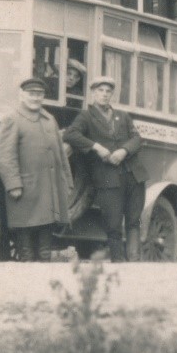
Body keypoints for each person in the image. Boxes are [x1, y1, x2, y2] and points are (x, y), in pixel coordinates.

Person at [64, 76, 148, 262]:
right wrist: (96, 147)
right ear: (93, 93)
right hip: (108, 177)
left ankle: (133, 262)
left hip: (134, 175)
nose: (104, 94)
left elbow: (137, 139)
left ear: (111, 94)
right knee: (113, 224)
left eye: (108, 91)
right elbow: (70, 135)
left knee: (134, 221)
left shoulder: (123, 116)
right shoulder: (86, 117)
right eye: (100, 91)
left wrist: (124, 151)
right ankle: (118, 263)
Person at [0, 77, 73, 261]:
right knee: (26, 246)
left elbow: (61, 156)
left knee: (45, 245)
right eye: (31, 94)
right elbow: (4, 155)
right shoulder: (12, 119)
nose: (35, 98)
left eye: (39, 94)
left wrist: (67, 182)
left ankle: (44, 277)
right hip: (25, 189)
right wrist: (13, 184)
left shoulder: (49, 120)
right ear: (21, 95)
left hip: (48, 189)